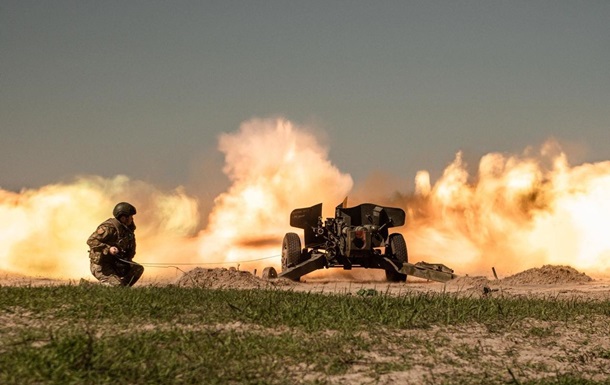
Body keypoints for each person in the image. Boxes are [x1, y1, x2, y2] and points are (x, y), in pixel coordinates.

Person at [87, 202, 144, 286]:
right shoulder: (109, 228)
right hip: (102, 266)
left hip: (115, 263)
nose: (132, 219)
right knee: (117, 286)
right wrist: (108, 248)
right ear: (124, 218)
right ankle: (88, 286)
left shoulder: (127, 230)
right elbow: (91, 240)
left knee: (137, 269)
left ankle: (122, 288)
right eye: (131, 217)